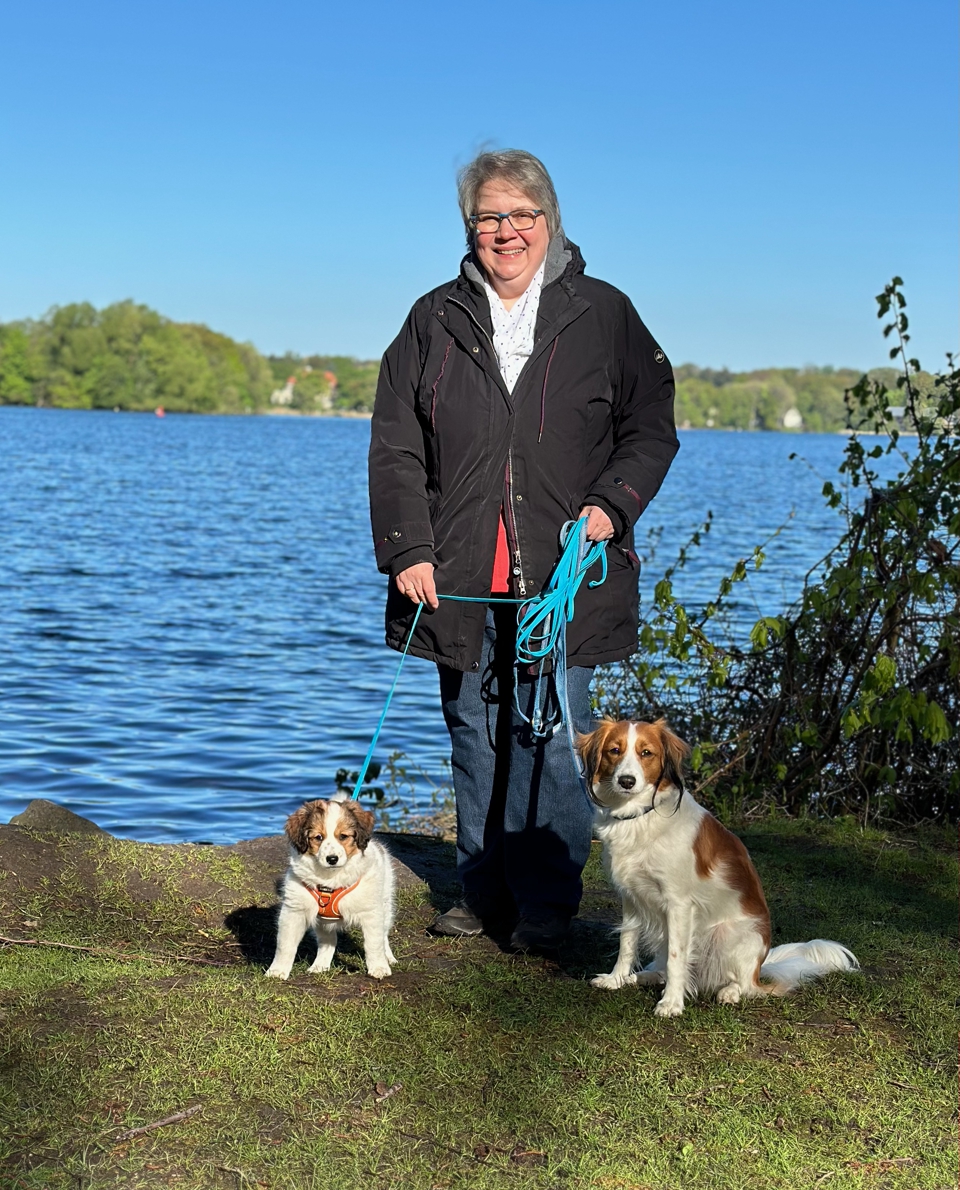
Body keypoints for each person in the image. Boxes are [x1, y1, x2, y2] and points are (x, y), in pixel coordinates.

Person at [368, 149, 678, 951]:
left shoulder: (605, 313)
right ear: (469, 229)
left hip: (565, 573)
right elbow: (396, 444)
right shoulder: (432, 317)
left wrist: (612, 506)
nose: (505, 232)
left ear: (549, 221)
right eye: (488, 218)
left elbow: (652, 428)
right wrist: (407, 550)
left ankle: (546, 901)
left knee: (546, 729)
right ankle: (481, 889)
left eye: (520, 216)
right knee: (472, 727)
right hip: (456, 572)